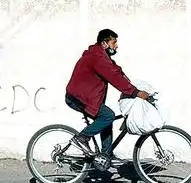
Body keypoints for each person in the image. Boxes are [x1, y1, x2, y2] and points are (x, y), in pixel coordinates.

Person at [64, 28, 149, 162]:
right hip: (78, 98)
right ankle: (81, 138)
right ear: (104, 43)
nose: (116, 46)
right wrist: (135, 93)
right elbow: (113, 77)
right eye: (114, 42)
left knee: (107, 119)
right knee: (108, 116)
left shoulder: (101, 56)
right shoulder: (97, 58)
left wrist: (131, 85)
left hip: (87, 97)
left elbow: (116, 70)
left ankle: (106, 155)